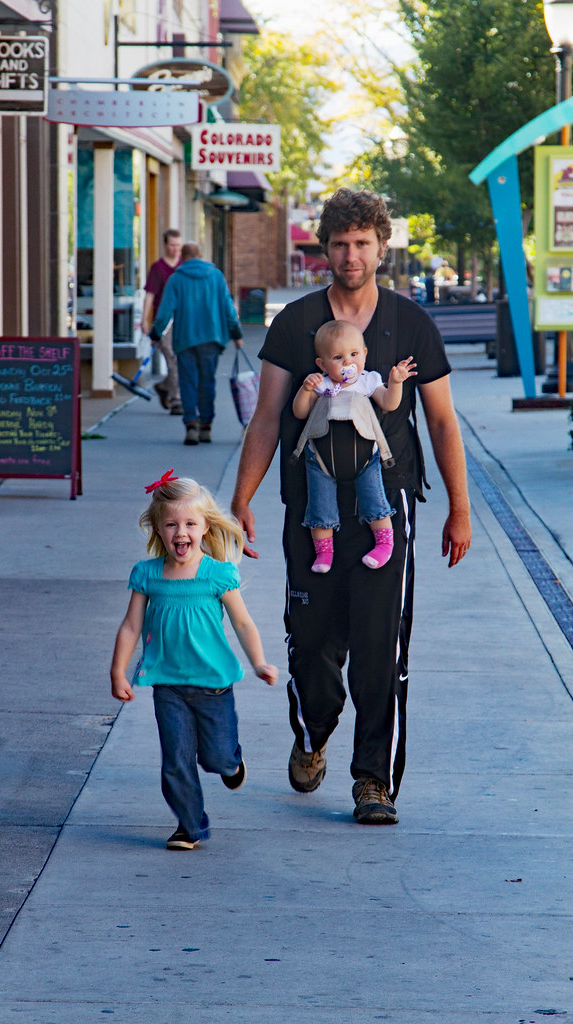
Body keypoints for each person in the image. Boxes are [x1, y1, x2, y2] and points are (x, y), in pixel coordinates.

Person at [231, 187, 471, 826]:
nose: (351, 254)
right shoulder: (296, 322)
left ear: (382, 247)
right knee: (312, 644)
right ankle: (314, 730)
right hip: (309, 508)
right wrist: (240, 500)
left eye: (363, 242)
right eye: (340, 242)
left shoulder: (411, 323)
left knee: (380, 646)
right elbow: (267, 416)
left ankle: (373, 782)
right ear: (325, 248)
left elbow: (443, 423)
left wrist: (460, 508)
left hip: (384, 512)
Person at [110, 470, 278, 850]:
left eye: (189, 523)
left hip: (213, 685)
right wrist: (118, 670)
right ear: (157, 528)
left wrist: (259, 662)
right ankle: (190, 826)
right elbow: (131, 626)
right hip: (167, 684)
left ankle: (232, 763)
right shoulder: (147, 574)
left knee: (216, 758)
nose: (180, 532)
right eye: (170, 524)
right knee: (176, 762)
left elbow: (242, 622)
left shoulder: (218, 574)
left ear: (205, 527)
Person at [291, 319, 417, 573]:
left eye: (354, 354)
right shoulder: (323, 384)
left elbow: (389, 404)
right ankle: (324, 552)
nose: (348, 362)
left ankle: (384, 544)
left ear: (365, 354)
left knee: (374, 498)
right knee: (320, 504)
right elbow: (300, 412)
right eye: (338, 357)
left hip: (365, 456)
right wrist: (306, 390)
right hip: (322, 457)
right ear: (322, 363)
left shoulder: (368, 381)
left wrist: (396, 383)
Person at [150, 243, 243, 446]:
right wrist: (236, 333)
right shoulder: (216, 276)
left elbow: (165, 311)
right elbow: (228, 308)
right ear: (201, 255)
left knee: (188, 382)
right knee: (207, 382)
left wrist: (156, 333)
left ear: (183, 258)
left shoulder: (176, 279)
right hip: (212, 338)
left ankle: (191, 424)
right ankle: (206, 427)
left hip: (185, 339)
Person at [142, 229, 183, 415]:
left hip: (183, 321)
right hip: (163, 322)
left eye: (178, 246)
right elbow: (149, 295)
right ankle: (176, 400)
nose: (175, 249)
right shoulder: (158, 268)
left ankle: (164, 386)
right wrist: (145, 320)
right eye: (172, 245)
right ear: (165, 245)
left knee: (180, 360)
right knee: (172, 359)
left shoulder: (184, 266)